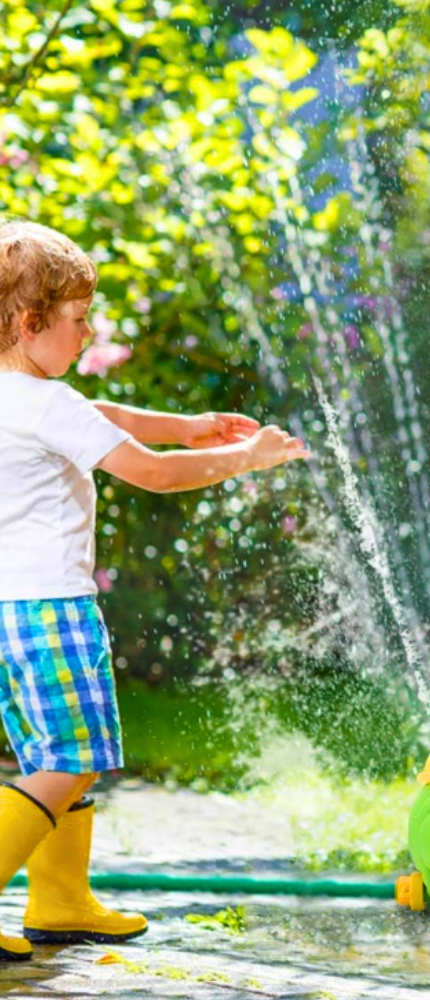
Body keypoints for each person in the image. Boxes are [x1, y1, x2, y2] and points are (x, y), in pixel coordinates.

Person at [0, 220, 310, 960]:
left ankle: (61, 900)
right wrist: (247, 456)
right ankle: (53, 895)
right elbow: (154, 472)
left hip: (9, 611)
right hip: (52, 609)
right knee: (70, 759)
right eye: (78, 320)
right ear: (27, 322)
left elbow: (107, 417)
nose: (87, 332)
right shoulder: (48, 407)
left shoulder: (20, 397)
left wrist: (191, 425)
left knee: (55, 755)